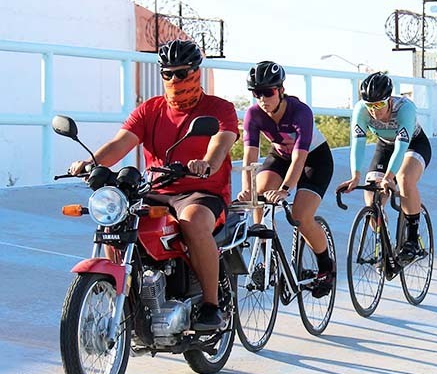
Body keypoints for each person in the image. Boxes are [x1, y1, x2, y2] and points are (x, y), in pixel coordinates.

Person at [69, 39, 239, 331]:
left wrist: (206, 163)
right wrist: (91, 162)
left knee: (192, 221)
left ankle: (211, 305)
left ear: (196, 72)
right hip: (156, 190)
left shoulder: (219, 109)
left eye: (182, 73)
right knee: (116, 224)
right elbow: (120, 142)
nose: (175, 79)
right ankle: (132, 299)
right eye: (168, 73)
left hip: (201, 190)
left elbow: (220, 145)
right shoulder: (150, 109)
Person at [238, 61, 335, 297]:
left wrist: (284, 189)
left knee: (301, 216)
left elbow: (299, 160)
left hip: (314, 160)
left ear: (280, 90)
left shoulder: (300, 112)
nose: (262, 98)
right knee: (259, 195)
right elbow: (249, 157)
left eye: (268, 92)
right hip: (280, 156)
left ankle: (326, 267)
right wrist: (247, 190)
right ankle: (267, 258)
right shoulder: (253, 114)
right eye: (256, 93)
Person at [340, 72, 431, 264]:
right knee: (371, 200)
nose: (374, 111)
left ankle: (412, 240)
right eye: (370, 106)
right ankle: (386, 246)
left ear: (389, 100)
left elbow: (401, 146)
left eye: (379, 105)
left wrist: (389, 177)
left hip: (413, 144)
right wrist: (355, 176)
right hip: (384, 146)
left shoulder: (405, 108)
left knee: (405, 178)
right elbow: (358, 144)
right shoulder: (361, 110)